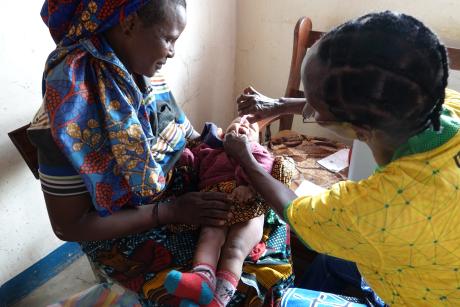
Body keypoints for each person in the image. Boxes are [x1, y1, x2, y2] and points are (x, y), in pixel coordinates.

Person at [28, 0, 293, 305]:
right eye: (168, 39)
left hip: (180, 200)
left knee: (267, 217)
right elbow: (69, 225)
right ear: (128, 24)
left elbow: (186, 136)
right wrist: (169, 211)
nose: (172, 52)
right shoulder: (66, 113)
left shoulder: (141, 74)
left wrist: (233, 143)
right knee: (242, 284)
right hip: (127, 230)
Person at [225, 11, 460, 306]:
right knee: (330, 261)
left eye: (317, 108)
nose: (310, 108)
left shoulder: (382, 205)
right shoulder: (433, 102)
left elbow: (298, 214)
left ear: (359, 131)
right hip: (435, 261)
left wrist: (245, 158)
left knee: (285, 301)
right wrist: (280, 105)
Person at [164, 117, 273, 306]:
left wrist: (250, 188)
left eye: (251, 127)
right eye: (238, 122)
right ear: (223, 133)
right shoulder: (209, 149)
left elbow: (263, 169)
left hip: (250, 208)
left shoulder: (256, 150)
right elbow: (192, 162)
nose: (244, 124)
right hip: (215, 203)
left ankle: (218, 301)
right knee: (209, 236)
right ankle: (201, 281)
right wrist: (182, 155)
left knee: (235, 249)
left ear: (257, 139)